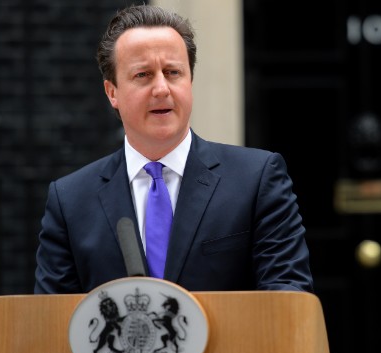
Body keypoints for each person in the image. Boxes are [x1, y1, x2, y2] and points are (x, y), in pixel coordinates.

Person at [34, 4, 313, 294]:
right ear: (112, 92)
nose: (161, 89)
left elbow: (287, 297)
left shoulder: (256, 179)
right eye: (143, 75)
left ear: (190, 80)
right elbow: (52, 321)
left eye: (173, 72)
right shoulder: (70, 201)